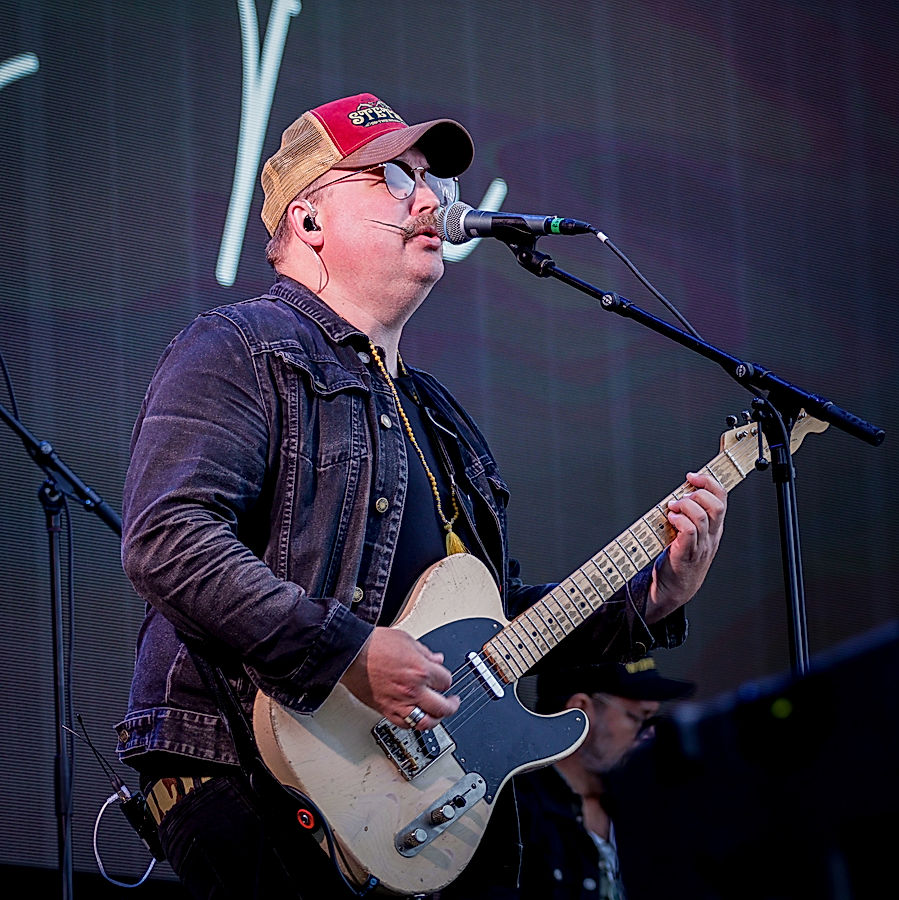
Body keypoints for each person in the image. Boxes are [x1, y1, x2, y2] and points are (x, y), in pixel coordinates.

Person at [113, 91, 727, 900]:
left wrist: (646, 598)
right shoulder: (238, 346)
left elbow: (494, 623)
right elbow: (168, 539)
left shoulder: (438, 415)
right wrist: (350, 655)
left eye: (428, 179)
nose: (433, 198)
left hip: (403, 807)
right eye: (394, 179)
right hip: (249, 773)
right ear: (307, 222)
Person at [514, 658, 696, 900]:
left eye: (654, 720)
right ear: (580, 708)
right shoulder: (515, 811)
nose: (649, 734)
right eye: (638, 718)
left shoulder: (643, 808)